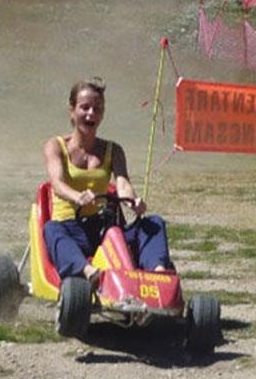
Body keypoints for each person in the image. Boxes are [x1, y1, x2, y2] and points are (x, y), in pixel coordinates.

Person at [43, 78, 173, 287]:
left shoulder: (113, 150)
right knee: (50, 229)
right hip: (69, 227)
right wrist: (78, 196)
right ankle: (88, 272)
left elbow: (122, 183)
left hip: (102, 228)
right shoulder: (56, 146)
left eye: (97, 109)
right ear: (72, 110)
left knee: (153, 223)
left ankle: (158, 274)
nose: (91, 114)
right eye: (84, 108)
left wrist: (133, 202)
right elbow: (56, 183)